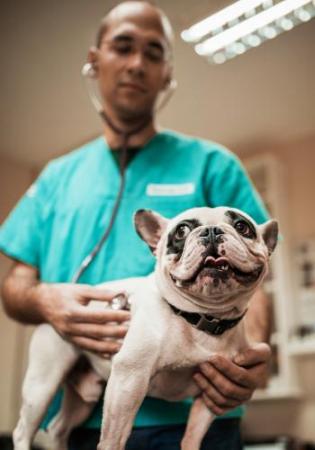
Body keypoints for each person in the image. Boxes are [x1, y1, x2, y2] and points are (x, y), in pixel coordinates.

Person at [0, 2, 272, 449]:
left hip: (203, 411)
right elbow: (15, 286)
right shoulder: (53, 178)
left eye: (154, 52)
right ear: (94, 60)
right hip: (84, 419)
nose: (136, 64)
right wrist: (45, 301)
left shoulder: (214, 163)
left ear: (167, 72)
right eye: (123, 47)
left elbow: (256, 266)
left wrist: (246, 356)